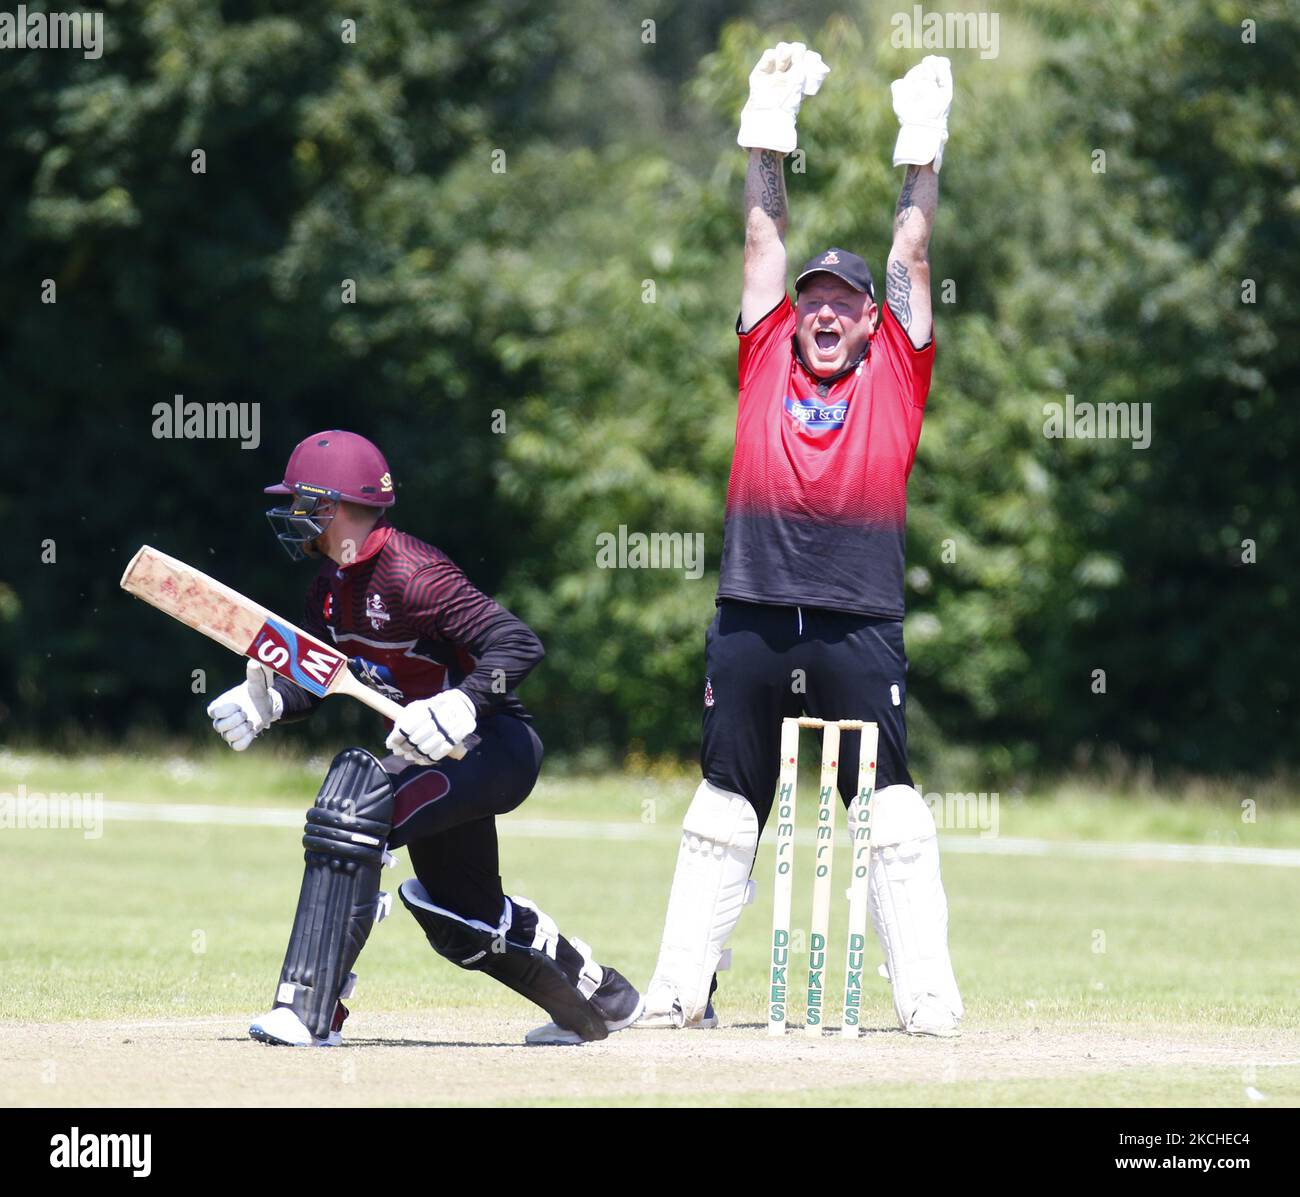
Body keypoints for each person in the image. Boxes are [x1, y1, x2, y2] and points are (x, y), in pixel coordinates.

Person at [639, 45, 963, 1036]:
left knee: (892, 814)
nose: (821, 313)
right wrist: (766, 129)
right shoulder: (766, 352)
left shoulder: (896, 371)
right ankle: (680, 992)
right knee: (719, 809)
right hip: (750, 610)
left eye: (841, 305)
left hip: (856, 617)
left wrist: (922, 154)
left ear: (872, 323)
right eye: (811, 301)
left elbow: (909, 257)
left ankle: (924, 996)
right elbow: (760, 244)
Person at [206, 429, 642, 1046]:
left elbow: (518, 643)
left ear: (339, 507)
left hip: (490, 748)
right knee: (462, 919)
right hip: (426, 760)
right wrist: (270, 700)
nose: (293, 517)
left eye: (304, 503)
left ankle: (310, 1010)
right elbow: (323, 676)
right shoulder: (327, 587)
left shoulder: (415, 575)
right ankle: (601, 1000)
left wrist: (463, 701)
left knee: (352, 810)